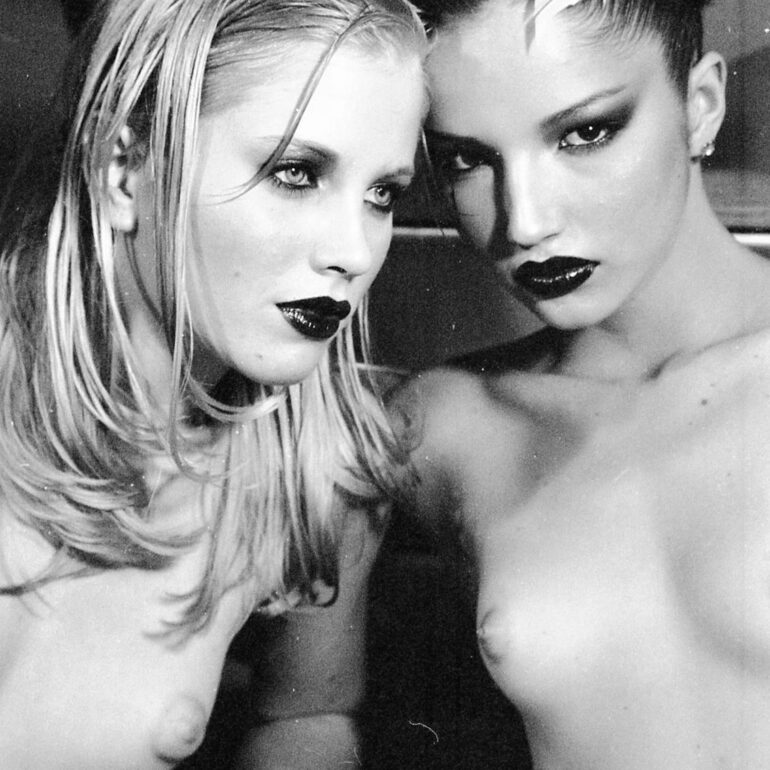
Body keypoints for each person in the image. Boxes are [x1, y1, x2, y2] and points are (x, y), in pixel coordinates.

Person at [0, 0, 426, 766]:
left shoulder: (314, 470)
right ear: (124, 170)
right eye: (296, 173)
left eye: (382, 194)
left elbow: (309, 715)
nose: (356, 251)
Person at [383, 0, 770, 766]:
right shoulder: (443, 424)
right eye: (467, 159)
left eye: (584, 133)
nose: (525, 222)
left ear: (700, 105)